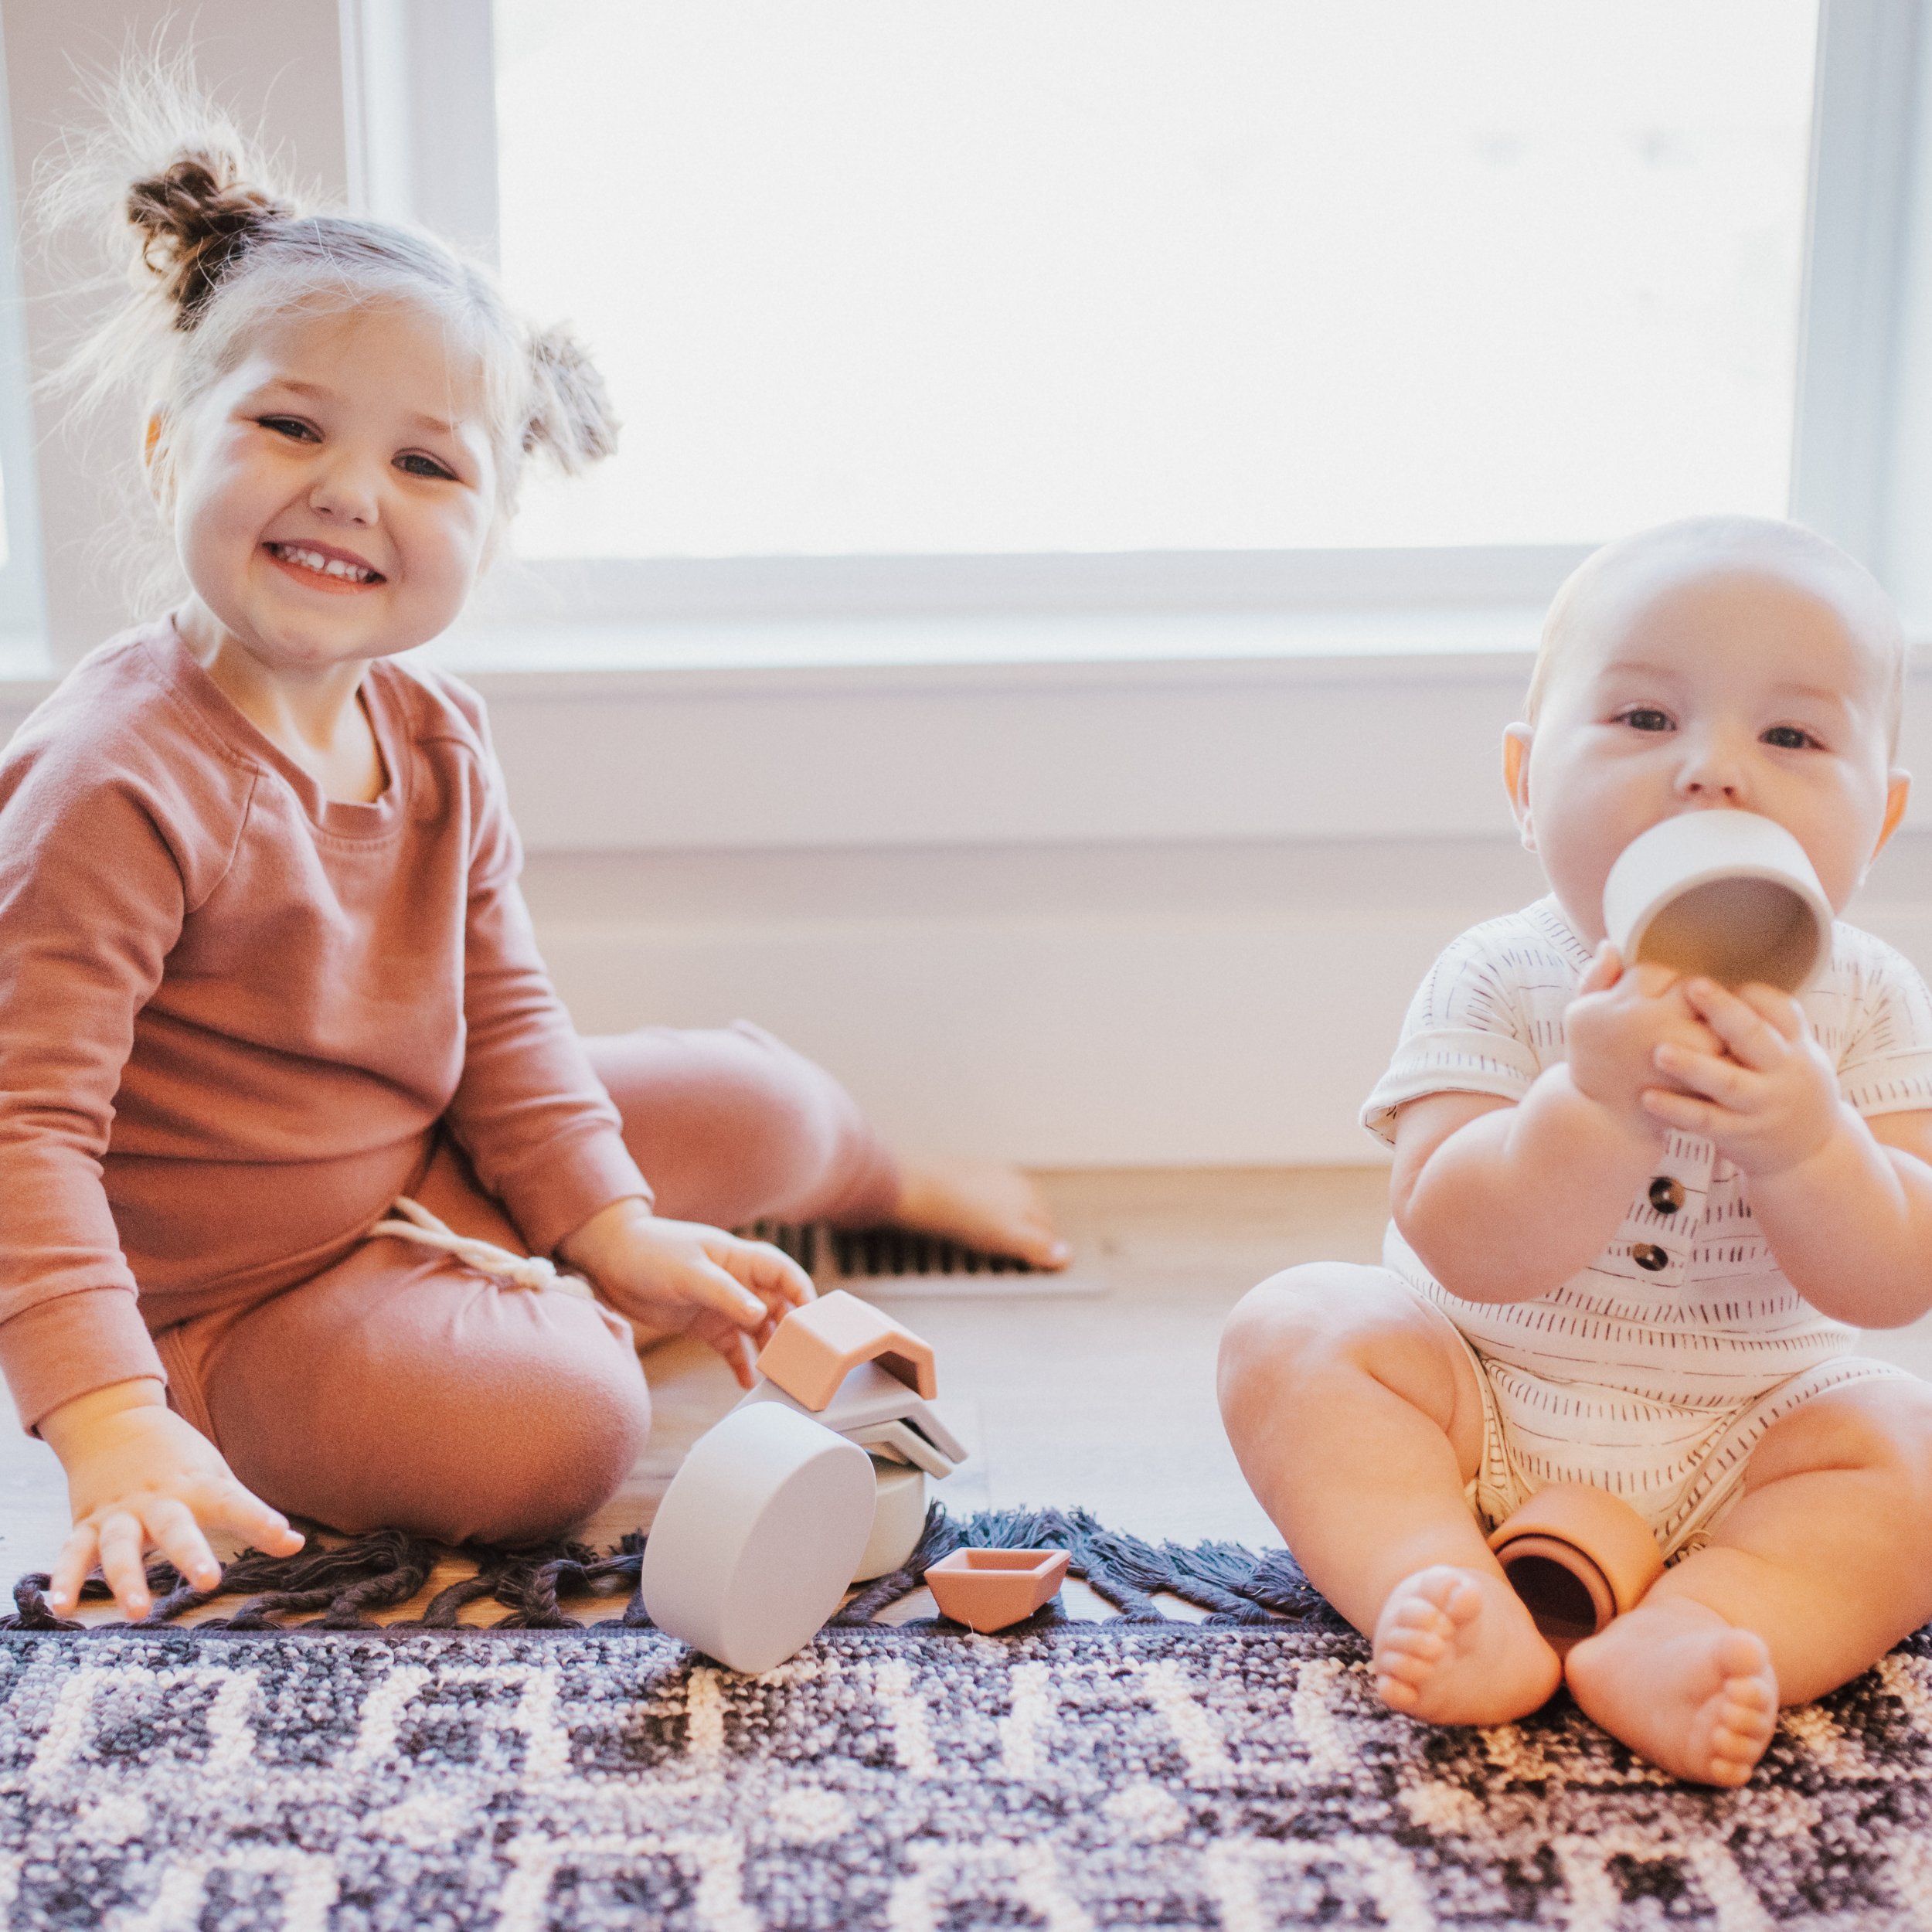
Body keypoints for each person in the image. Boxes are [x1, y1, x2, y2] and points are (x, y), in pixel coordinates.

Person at [1, 82, 1066, 1624]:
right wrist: (107, 1411)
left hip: (421, 1167)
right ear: (172, 449)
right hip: (230, 1305)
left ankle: (871, 1180)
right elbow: (21, 1130)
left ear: (488, 530)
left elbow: (503, 1018)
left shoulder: (434, 732)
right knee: (564, 1426)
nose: (350, 490)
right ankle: (507, 1329)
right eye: (288, 425)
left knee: (751, 1100)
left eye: (426, 466)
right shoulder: (113, 780)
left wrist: (607, 1217)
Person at [1218, 515, 1932, 1786]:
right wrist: (1593, 1105)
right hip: (1478, 1402)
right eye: (1646, 720)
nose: (1714, 772)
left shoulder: (1870, 1004)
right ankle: (1434, 1578)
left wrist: (1812, 1142)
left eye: (1791, 736)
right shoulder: (1500, 973)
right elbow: (1457, 1239)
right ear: (1525, 780)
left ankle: (1701, 1628)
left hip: (1752, 1439)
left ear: (1876, 820)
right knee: (1297, 1328)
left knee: (1909, 1458)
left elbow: (1892, 1283)